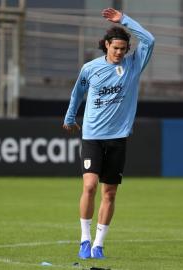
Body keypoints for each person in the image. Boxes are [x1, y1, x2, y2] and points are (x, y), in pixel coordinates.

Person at [63, 8, 155, 259]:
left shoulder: (134, 65)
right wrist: (70, 116)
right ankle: (84, 239)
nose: (120, 53)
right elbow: (78, 94)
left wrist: (124, 20)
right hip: (92, 136)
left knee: (110, 193)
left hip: (118, 138)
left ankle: (99, 245)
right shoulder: (90, 68)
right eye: (115, 48)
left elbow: (149, 40)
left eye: (124, 49)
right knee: (90, 185)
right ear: (106, 45)